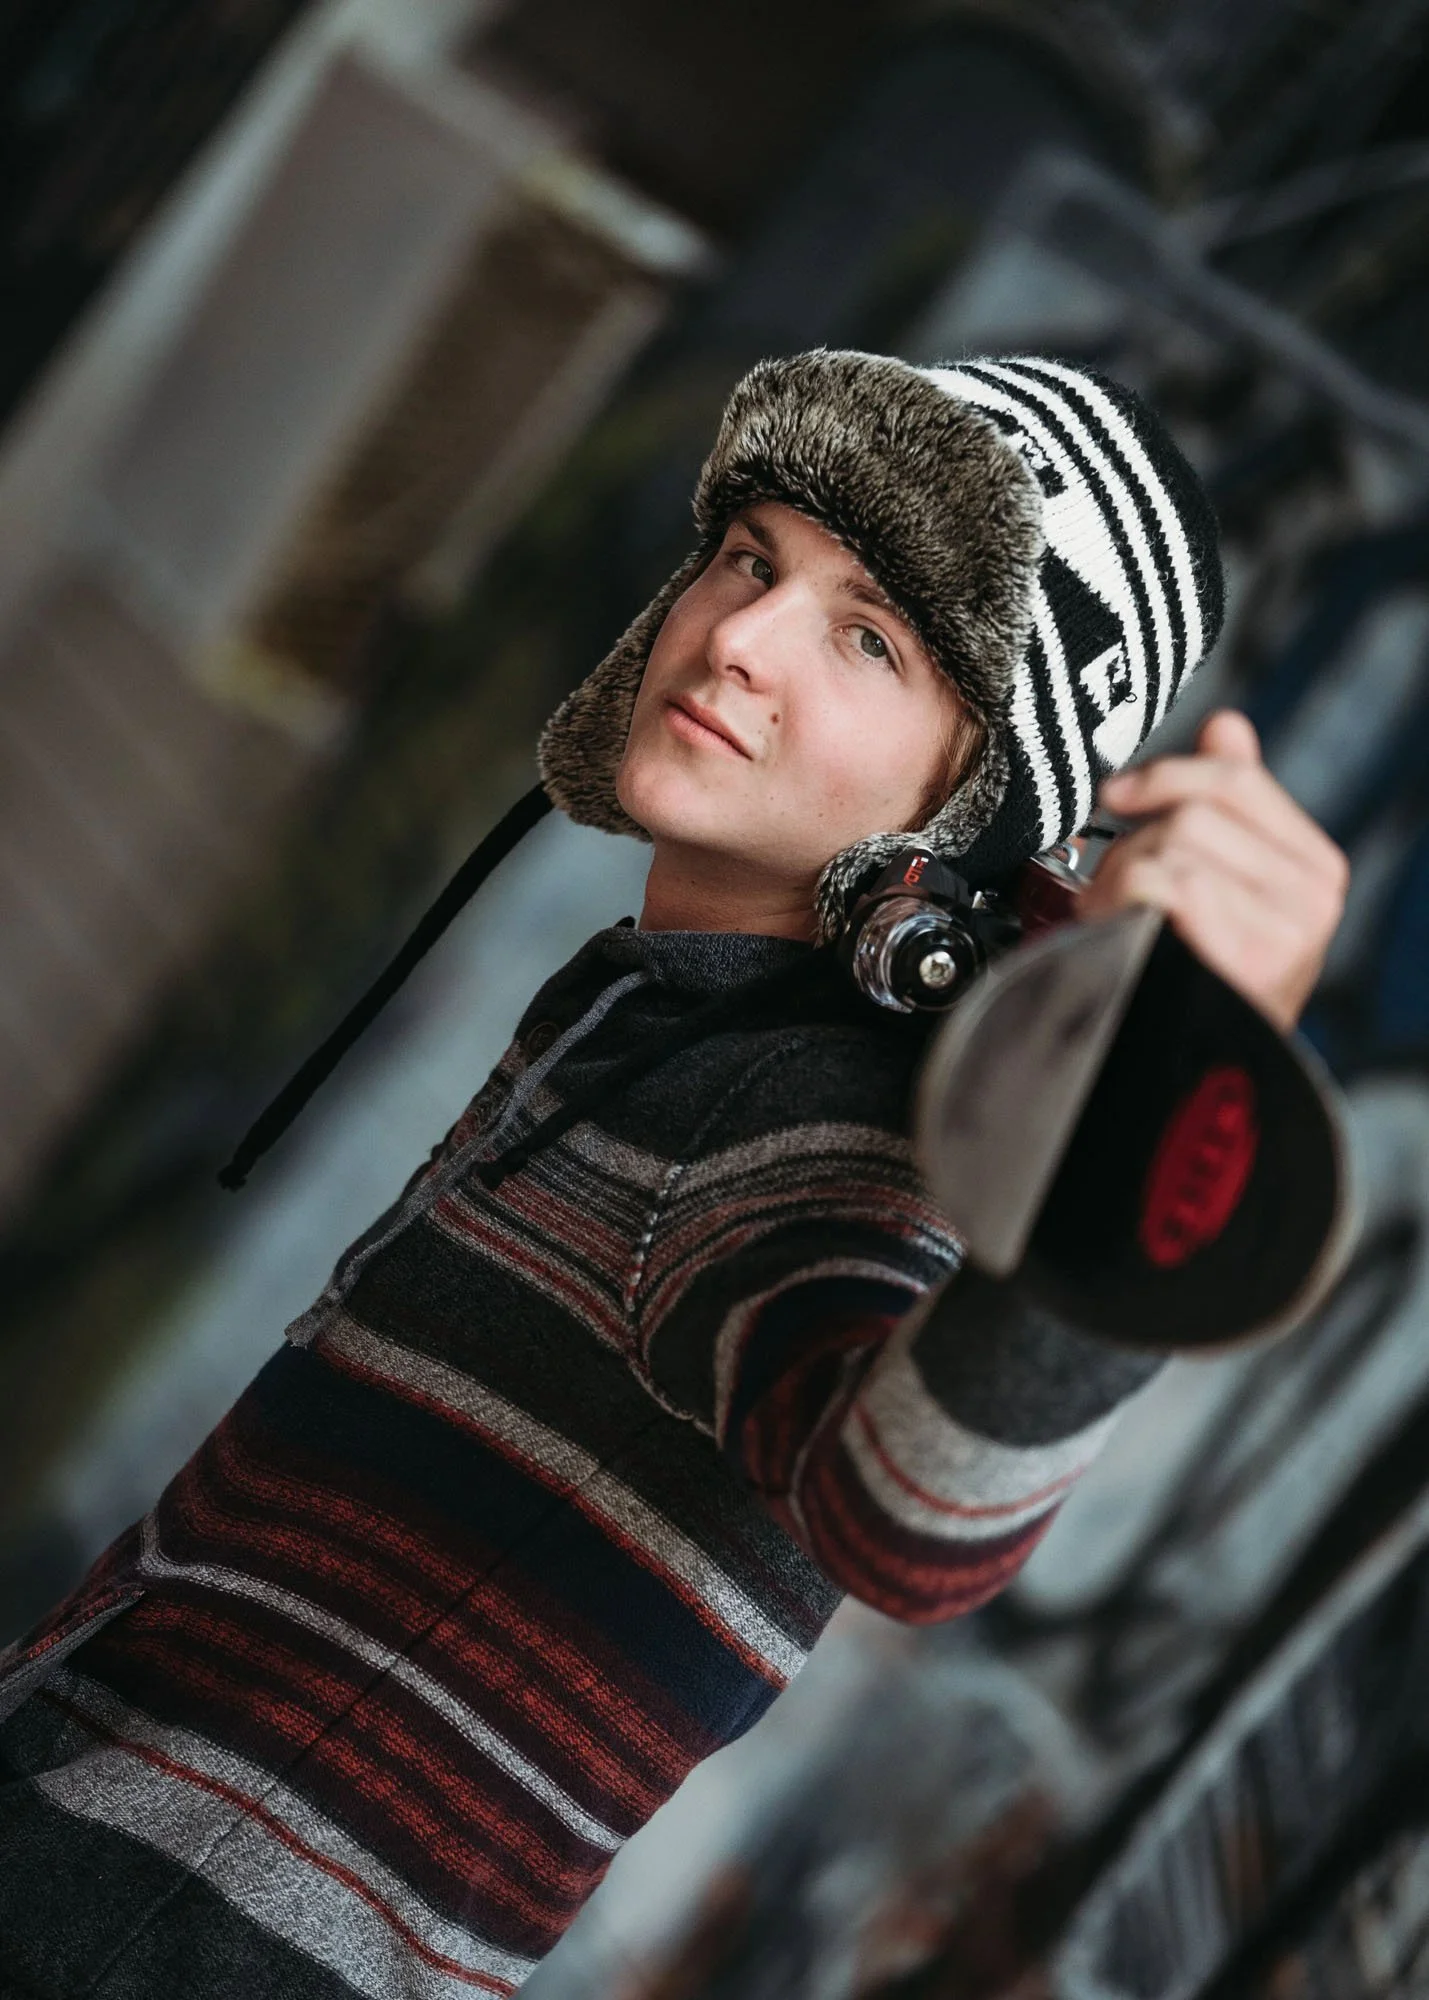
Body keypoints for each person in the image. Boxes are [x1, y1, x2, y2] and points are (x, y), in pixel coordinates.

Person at [0, 352, 1346, 1998]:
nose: (739, 639)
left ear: (975, 809)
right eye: (750, 558)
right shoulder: (665, 1016)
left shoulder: (798, 1104)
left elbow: (911, 1514)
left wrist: (1165, 1103)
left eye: (872, 636)